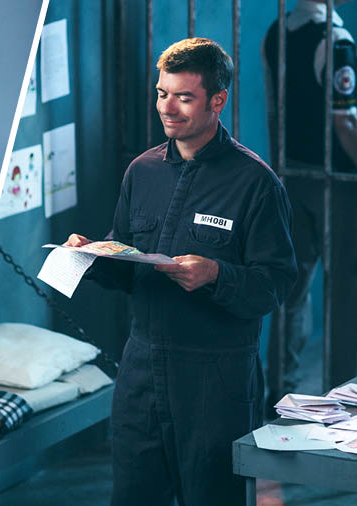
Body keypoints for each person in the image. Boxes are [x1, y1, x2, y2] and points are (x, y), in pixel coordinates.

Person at [65, 38, 297, 505]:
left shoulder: (256, 184)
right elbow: (127, 269)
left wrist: (216, 275)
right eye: (161, 93)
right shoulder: (142, 171)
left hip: (217, 379)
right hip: (141, 371)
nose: (167, 108)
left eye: (183, 97)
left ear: (218, 101)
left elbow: (275, 286)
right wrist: (91, 257)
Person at [263, 0, 357, 409]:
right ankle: (346, 401)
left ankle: (281, 396)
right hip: (336, 181)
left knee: (291, 288)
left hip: (291, 174)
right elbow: (346, 122)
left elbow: (272, 111)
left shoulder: (276, 32)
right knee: (345, 293)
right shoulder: (335, 41)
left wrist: (279, 171)